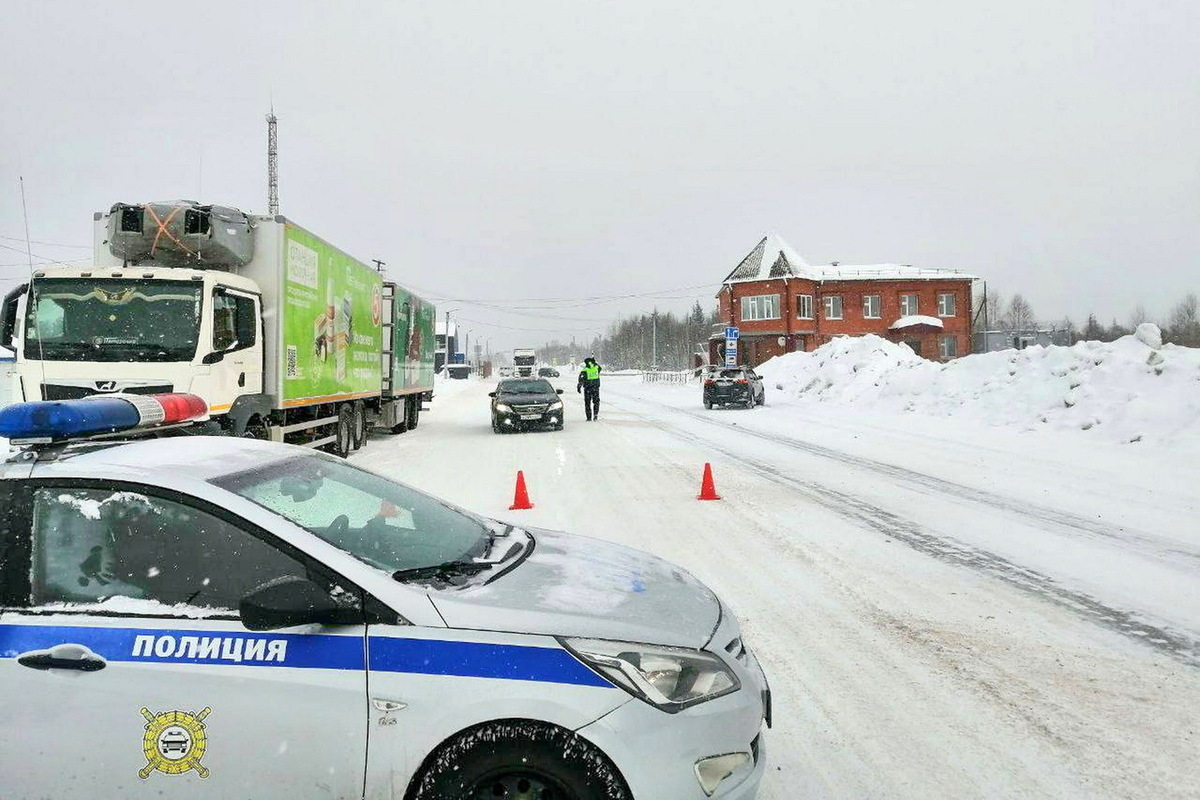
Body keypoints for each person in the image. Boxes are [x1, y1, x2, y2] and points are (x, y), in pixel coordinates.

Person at [576, 356, 602, 421]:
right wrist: (594, 362)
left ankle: (589, 417)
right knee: (596, 402)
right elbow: (600, 368)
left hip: (587, 389)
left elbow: (581, 379)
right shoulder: (596, 367)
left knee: (587, 403)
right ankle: (595, 415)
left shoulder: (585, 370)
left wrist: (579, 386)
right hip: (595, 388)